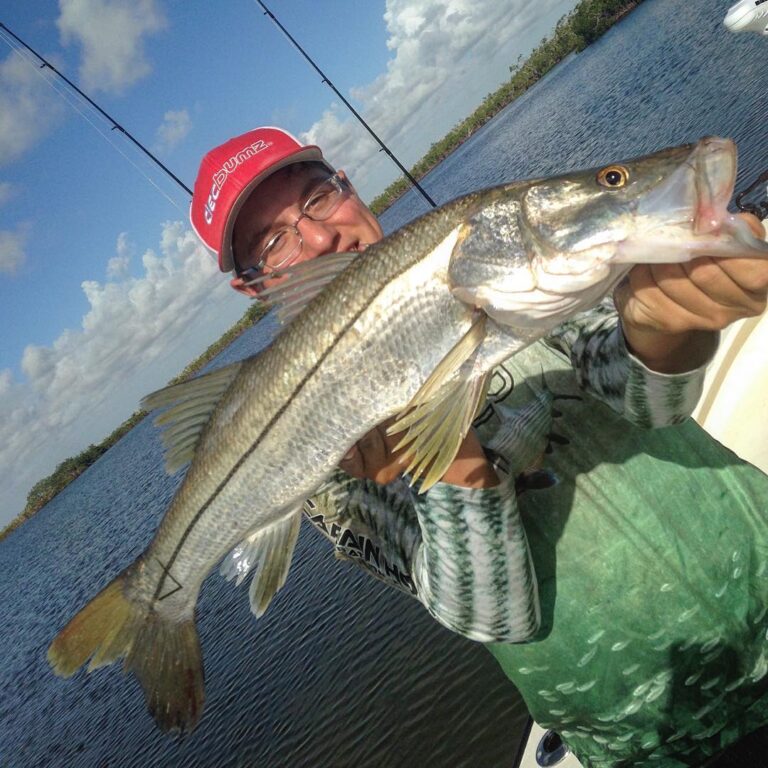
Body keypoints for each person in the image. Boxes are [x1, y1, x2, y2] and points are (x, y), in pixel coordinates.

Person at [190, 127, 768, 766]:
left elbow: (652, 403)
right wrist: (448, 463)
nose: (321, 237)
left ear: (349, 189)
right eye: (273, 242)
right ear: (253, 286)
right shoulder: (325, 471)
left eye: (319, 198)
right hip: (657, 732)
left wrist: (663, 325)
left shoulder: (523, 273)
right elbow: (496, 614)